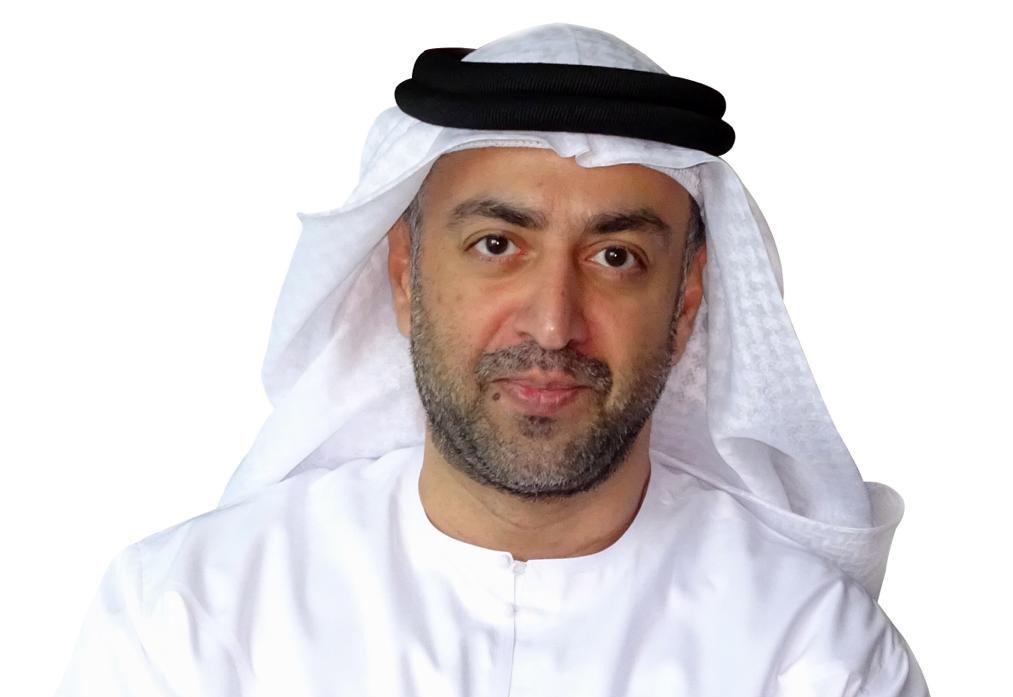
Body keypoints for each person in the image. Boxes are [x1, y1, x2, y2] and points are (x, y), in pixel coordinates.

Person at [57, 23, 929, 696]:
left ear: (686, 301)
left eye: (615, 256)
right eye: (496, 244)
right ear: (405, 274)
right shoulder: (191, 619)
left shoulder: (811, 654)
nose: (552, 324)